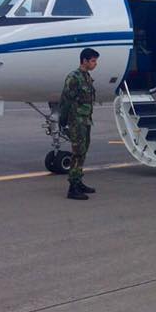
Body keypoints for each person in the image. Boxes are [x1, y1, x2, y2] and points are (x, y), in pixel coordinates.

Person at [61, 48, 99, 200]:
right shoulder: (74, 77)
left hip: (85, 120)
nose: (95, 64)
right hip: (76, 121)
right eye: (93, 61)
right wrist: (63, 121)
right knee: (77, 153)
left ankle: (78, 181)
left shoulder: (87, 77)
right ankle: (72, 188)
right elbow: (65, 100)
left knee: (83, 152)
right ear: (84, 61)